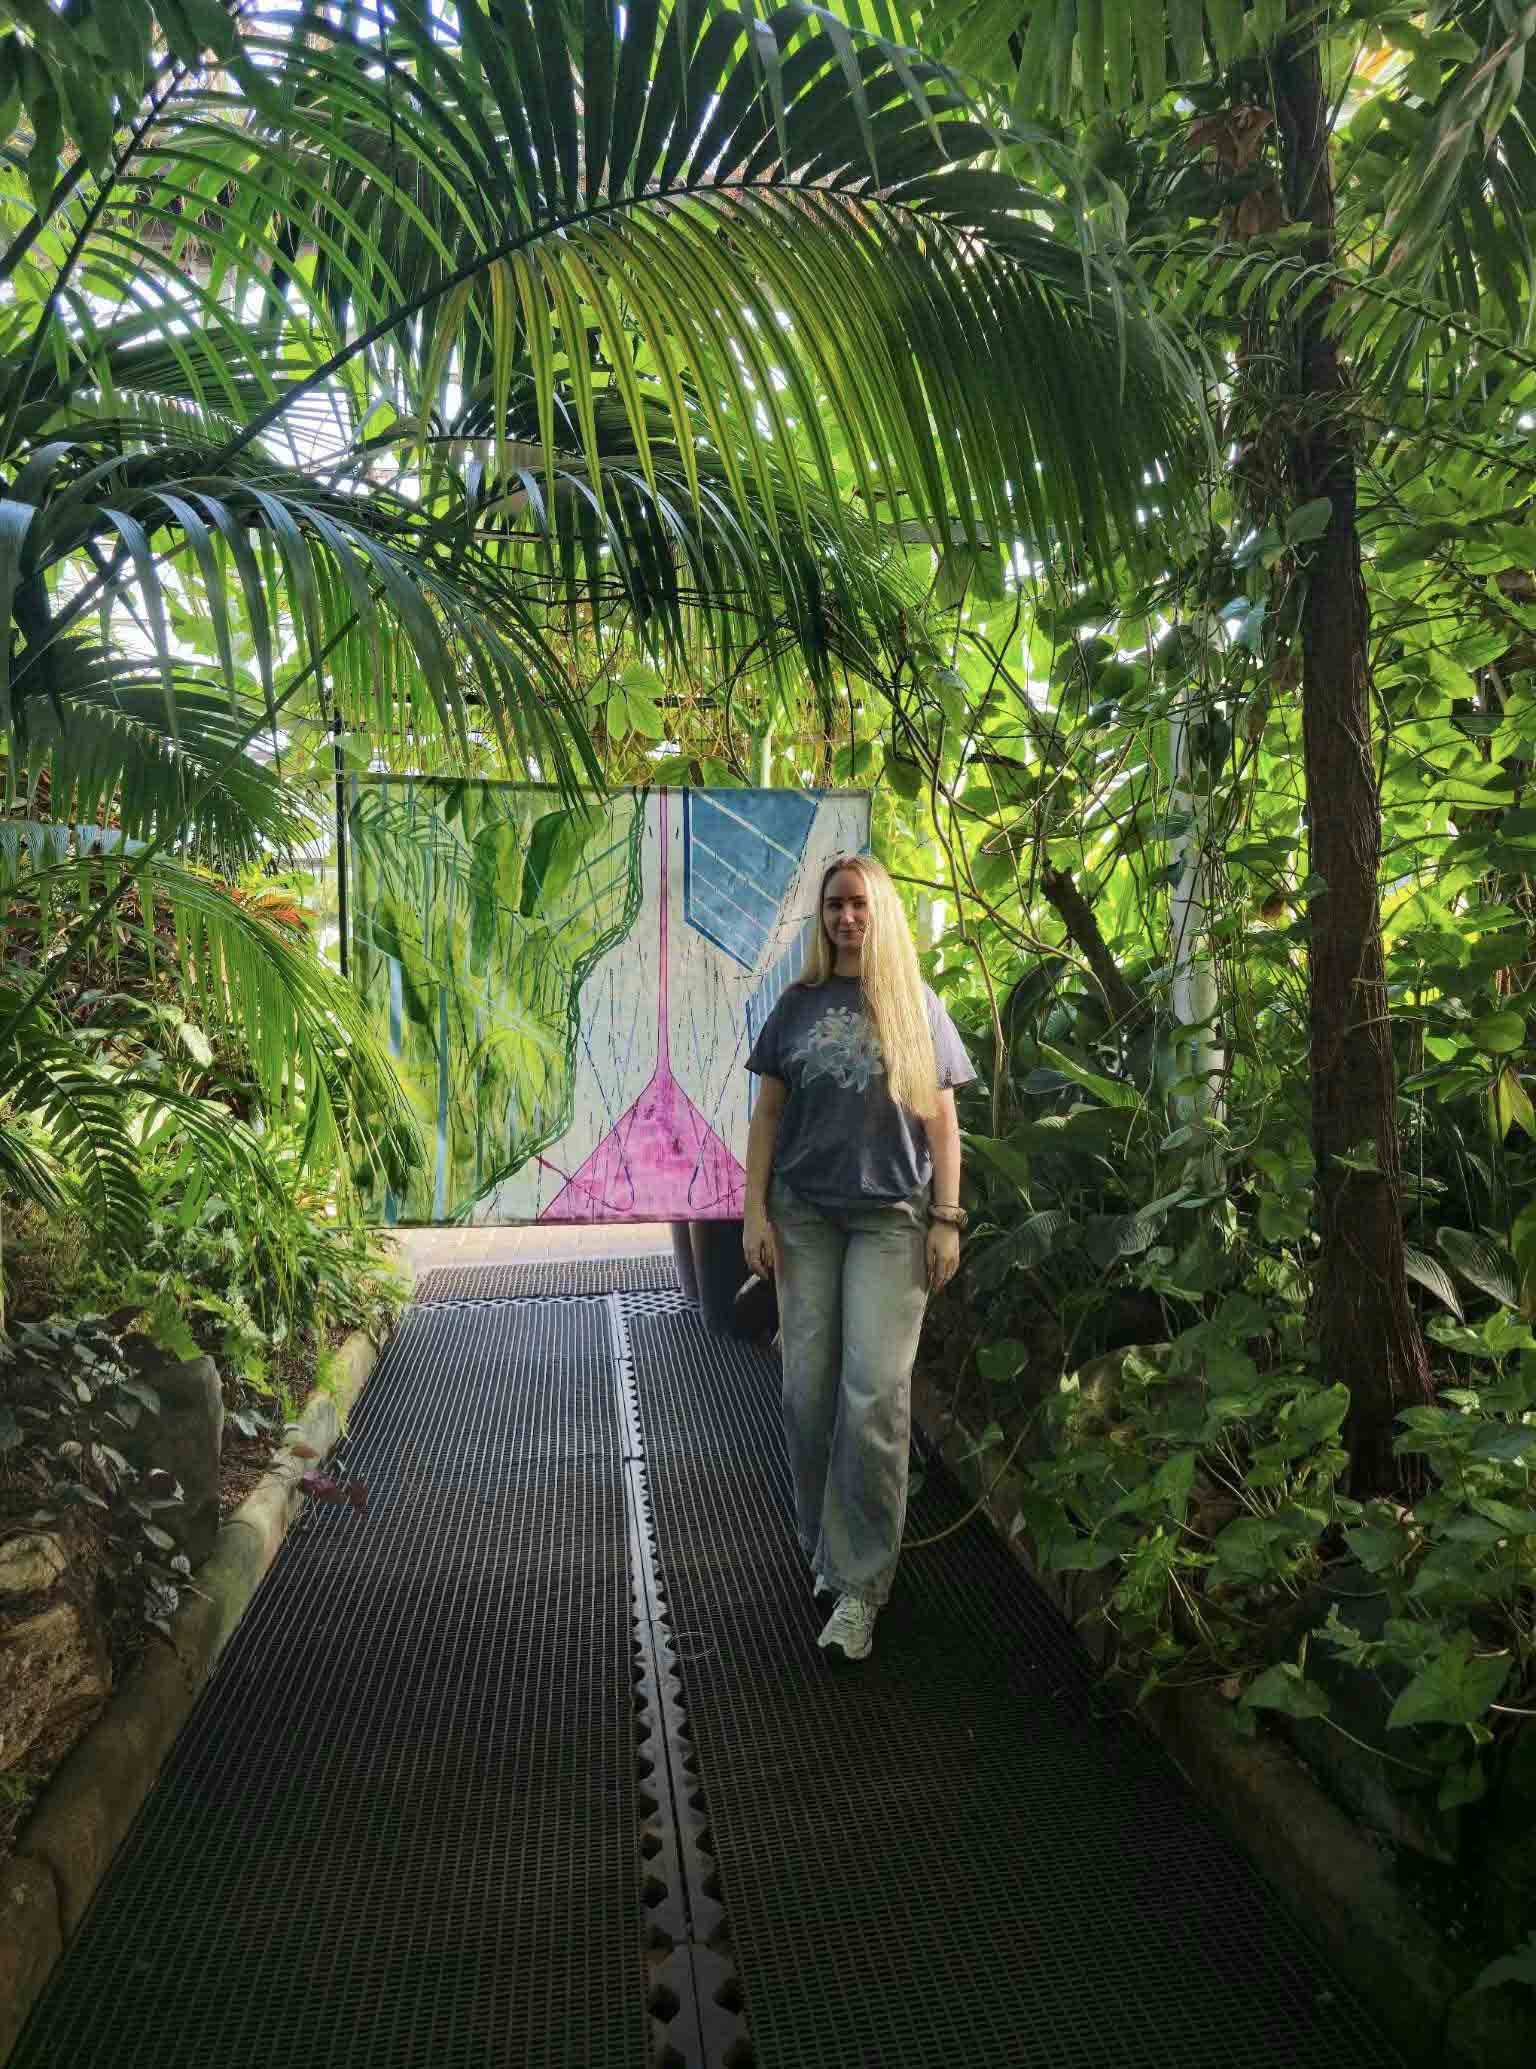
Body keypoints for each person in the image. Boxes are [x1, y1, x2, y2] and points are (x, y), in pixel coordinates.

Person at [742, 853, 976, 1662]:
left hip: (891, 1219)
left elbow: (944, 1123)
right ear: (824, 916)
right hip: (806, 1217)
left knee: (873, 1393)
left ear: (881, 913)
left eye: (861, 904)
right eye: (836, 904)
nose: (847, 917)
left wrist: (947, 1219)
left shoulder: (916, 1005)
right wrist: (753, 1214)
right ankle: (825, 1548)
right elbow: (767, 1113)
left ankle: (860, 1584)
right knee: (807, 1395)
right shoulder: (798, 1004)